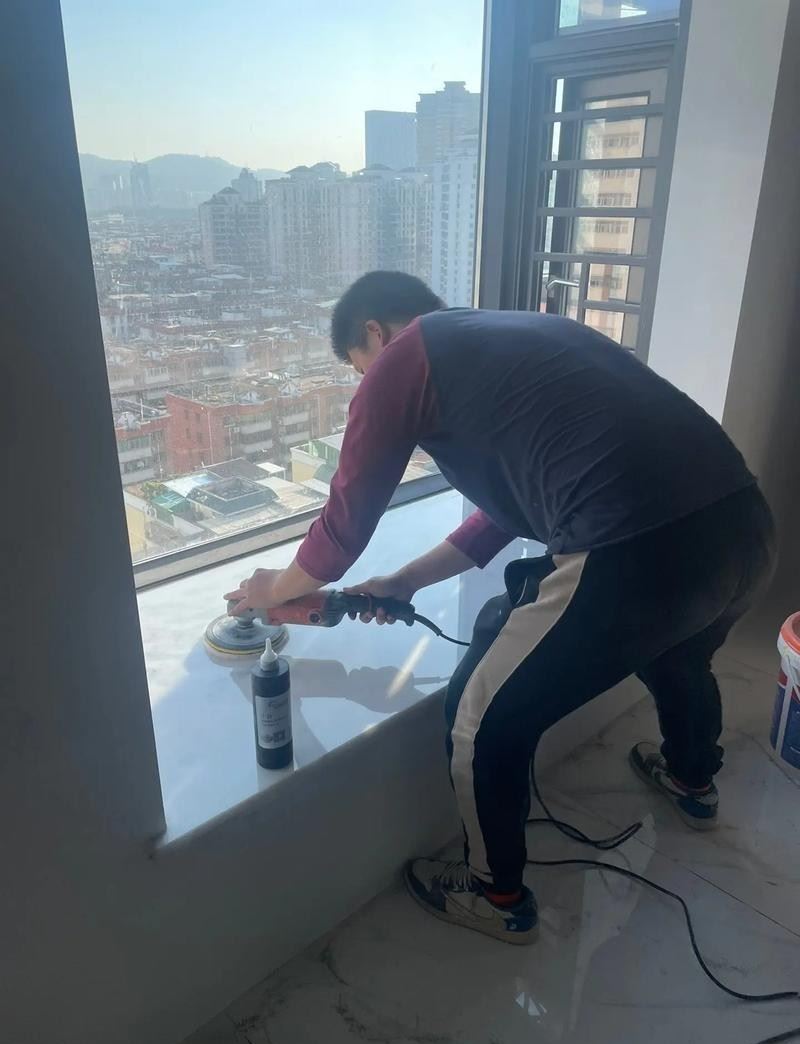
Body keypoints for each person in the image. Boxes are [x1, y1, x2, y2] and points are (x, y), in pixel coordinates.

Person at [225, 271, 775, 946]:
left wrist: (272, 588)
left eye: (360, 369)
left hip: (633, 545)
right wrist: (405, 580)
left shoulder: (404, 357)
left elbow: (341, 531)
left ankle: (497, 895)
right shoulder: (522, 335)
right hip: (743, 528)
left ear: (375, 332)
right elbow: (505, 513)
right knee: (679, 652)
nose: (366, 383)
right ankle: (692, 780)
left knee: (482, 721)